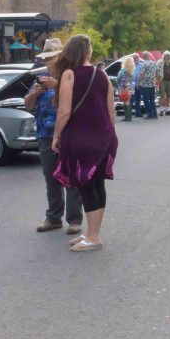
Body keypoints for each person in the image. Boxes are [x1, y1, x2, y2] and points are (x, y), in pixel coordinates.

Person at [52, 34, 118, 252]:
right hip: (105, 137)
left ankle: (94, 237)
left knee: (86, 185)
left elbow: (64, 112)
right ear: (88, 51)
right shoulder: (103, 75)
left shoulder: (69, 74)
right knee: (98, 184)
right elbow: (111, 111)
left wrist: (56, 136)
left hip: (82, 137)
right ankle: (92, 233)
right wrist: (109, 135)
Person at [24, 38, 83, 236]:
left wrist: (56, 85)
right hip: (45, 135)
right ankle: (53, 217)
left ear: (61, 56)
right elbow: (28, 105)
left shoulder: (70, 75)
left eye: (52, 57)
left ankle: (74, 220)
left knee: (71, 177)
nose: (49, 61)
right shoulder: (40, 77)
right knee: (51, 178)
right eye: (46, 58)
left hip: (68, 133)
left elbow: (78, 100)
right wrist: (34, 93)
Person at [138, 52, 159, 119]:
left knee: (146, 100)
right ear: (149, 56)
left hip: (145, 85)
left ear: (143, 56)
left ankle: (150, 114)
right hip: (152, 84)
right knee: (152, 100)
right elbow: (157, 73)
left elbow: (142, 74)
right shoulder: (154, 63)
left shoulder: (143, 64)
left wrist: (138, 82)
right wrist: (157, 82)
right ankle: (155, 114)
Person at [116, 55, 136, 122]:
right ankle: (129, 117)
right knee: (128, 101)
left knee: (125, 102)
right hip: (131, 88)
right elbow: (132, 80)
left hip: (124, 88)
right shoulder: (132, 71)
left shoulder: (122, 71)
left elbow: (118, 79)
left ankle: (127, 117)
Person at [158, 51, 170, 116]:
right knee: (162, 95)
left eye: (169, 56)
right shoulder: (160, 62)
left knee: (169, 95)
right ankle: (161, 110)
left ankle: (167, 110)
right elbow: (157, 72)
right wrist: (158, 81)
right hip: (162, 81)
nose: (168, 57)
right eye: (167, 56)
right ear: (164, 56)